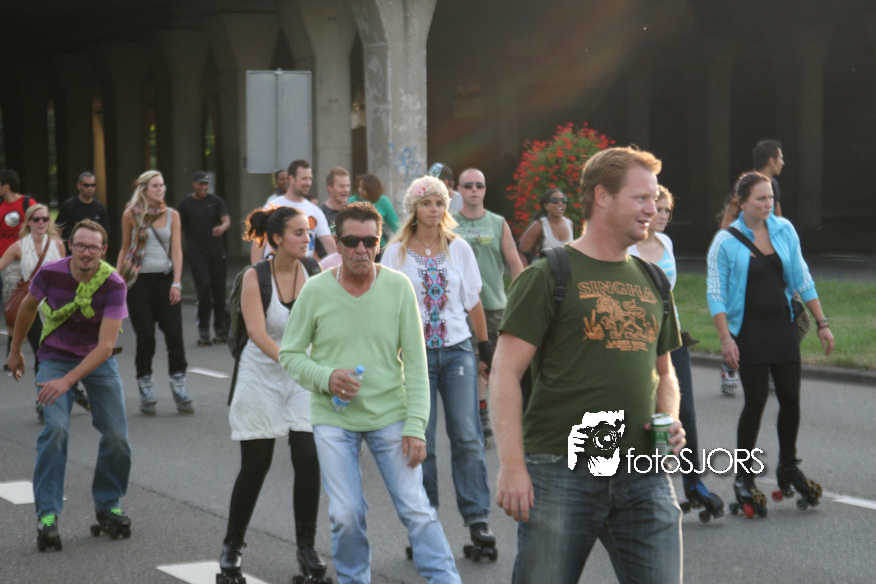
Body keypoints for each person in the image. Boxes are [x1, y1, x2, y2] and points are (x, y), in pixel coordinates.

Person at [492, 146, 685, 584]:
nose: (652, 209)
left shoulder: (654, 280)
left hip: (642, 471)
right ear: (602, 196)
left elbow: (666, 373)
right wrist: (512, 466)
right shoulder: (548, 275)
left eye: (654, 199)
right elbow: (504, 374)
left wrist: (669, 418)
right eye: (641, 198)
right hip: (560, 469)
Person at [279, 202, 461, 584]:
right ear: (338, 244)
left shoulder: (398, 288)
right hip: (334, 417)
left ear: (379, 244)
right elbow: (290, 354)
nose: (361, 249)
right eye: (351, 241)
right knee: (346, 514)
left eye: (370, 241)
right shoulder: (316, 290)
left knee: (416, 508)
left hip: (390, 415)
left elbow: (417, 363)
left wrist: (416, 426)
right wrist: (327, 377)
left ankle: (446, 579)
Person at [382, 175, 496, 558]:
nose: (434, 210)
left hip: (457, 350)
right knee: (422, 441)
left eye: (440, 203)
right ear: (414, 208)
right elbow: (386, 308)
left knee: (467, 435)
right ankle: (424, 522)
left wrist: (484, 348)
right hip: (414, 357)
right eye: (427, 203)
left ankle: (478, 520)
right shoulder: (395, 253)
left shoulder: (458, 248)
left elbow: (473, 301)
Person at [707, 171, 834, 514]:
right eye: (760, 198)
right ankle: (743, 478)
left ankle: (788, 466)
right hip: (748, 331)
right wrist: (726, 339)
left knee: (791, 398)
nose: (768, 204)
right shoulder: (725, 242)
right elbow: (716, 294)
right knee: (756, 402)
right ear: (742, 202)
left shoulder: (784, 229)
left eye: (771, 198)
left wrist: (822, 323)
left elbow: (801, 276)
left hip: (782, 327)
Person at [7, 220, 132, 553]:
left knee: (117, 436)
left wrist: (68, 382)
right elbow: (28, 306)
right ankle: (47, 515)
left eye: (93, 247)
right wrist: (16, 349)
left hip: (97, 360)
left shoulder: (114, 283)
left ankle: (109, 505)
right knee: (56, 430)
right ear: (71, 246)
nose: (86, 253)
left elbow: (106, 347)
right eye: (80, 245)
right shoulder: (51, 273)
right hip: (56, 357)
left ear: (103, 251)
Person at [217, 206, 326, 584]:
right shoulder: (254, 277)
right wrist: (296, 363)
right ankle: (232, 546)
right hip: (261, 375)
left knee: (308, 458)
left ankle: (306, 548)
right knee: (256, 464)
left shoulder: (314, 271)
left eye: (308, 232)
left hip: (300, 378)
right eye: (298, 233)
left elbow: (325, 326)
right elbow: (258, 333)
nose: (306, 239)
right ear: (277, 238)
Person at [629, 185, 724, 520]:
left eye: (668, 210)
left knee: (685, 413)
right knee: (644, 413)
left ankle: (694, 483)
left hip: (672, 336)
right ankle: (645, 484)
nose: (664, 216)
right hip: (638, 339)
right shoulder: (628, 247)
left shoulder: (666, 243)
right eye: (659, 209)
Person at [452, 168, 523, 444]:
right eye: (468, 185)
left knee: (495, 366)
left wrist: (520, 299)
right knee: (470, 364)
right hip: (461, 308)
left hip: (495, 306)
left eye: (479, 186)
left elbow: (515, 264)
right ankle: (479, 418)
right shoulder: (449, 224)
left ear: (484, 190)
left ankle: (494, 415)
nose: (474, 190)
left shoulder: (498, 222)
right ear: (459, 190)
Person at [0, 204, 90, 417]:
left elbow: (67, 274)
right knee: (43, 352)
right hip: (31, 307)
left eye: (45, 219)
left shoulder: (57, 244)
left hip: (57, 307)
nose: (41, 223)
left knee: (62, 352)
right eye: (37, 219)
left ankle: (72, 388)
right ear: (29, 222)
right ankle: (43, 399)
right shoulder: (19, 247)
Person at [117, 170, 193, 415]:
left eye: (162, 185)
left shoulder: (172, 215)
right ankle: (145, 385)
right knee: (146, 336)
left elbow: (177, 251)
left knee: (174, 334)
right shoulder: (131, 215)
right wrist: (117, 281)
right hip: (139, 282)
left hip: (165, 279)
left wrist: (177, 283)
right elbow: (125, 249)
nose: (160, 189)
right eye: (155, 186)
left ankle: (179, 384)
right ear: (144, 189)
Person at [178, 171, 231, 347]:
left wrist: (222, 227)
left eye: (206, 184)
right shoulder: (186, 204)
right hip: (197, 253)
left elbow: (226, 220)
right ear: (194, 184)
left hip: (216, 252)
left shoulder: (215, 201)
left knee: (219, 291)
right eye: (200, 184)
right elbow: (178, 227)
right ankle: (204, 329)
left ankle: (220, 328)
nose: (203, 187)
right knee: (204, 288)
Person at [251, 160, 336, 263]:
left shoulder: (315, 211)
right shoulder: (272, 206)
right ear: (291, 178)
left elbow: (331, 247)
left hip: (304, 271)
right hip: (275, 268)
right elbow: (257, 243)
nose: (308, 183)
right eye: (304, 179)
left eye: (310, 179)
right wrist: (257, 270)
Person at [720, 139, 785, 230]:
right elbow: (726, 224)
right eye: (781, 158)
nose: (783, 163)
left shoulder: (774, 184)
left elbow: (779, 222)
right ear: (771, 161)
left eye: (770, 197)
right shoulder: (745, 184)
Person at [516, 188, 575, 266]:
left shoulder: (569, 224)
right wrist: (525, 272)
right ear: (546, 206)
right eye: (555, 201)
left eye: (563, 201)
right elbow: (522, 252)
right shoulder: (539, 226)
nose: (560, 204)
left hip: (566, 271)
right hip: (544, 271)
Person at [55, 172, 111, 247]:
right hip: (71, 249)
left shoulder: (100, 208)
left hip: (92, 249)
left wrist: (102, 250)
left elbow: (104, 233)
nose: (90, 188)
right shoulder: (68, 205)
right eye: (86, 185)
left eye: (93, 185)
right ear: (79, 186)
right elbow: (58, 230)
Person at [349, 173, 399, 248]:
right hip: (357, 245)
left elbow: (396, 225)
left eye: (363, 189)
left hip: (378, 246)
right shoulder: (352, 201)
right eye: (359, 187)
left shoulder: (383, 201)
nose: (360, 190)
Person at [315, 166, 351, 259]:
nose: (346, 190)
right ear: (330, 188)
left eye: (347, 186)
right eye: (341, 186)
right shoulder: (319, 214)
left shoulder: (354, 213)